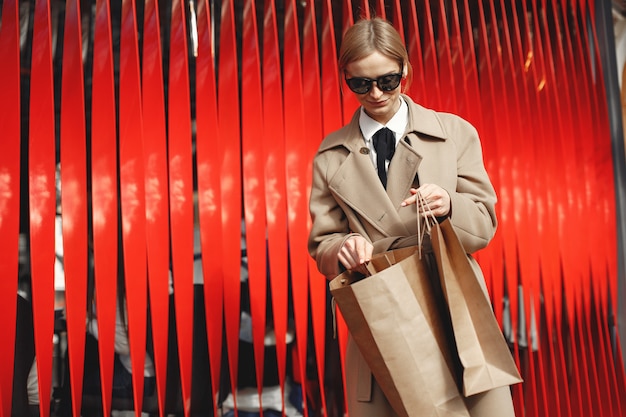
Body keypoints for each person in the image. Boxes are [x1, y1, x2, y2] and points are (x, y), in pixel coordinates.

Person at [307, 17, 515, 417]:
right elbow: (322, 243)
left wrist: (450, 204)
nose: (375, 93)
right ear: (345, 78)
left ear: (406, 70)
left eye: (387, 81)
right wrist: (344, 246)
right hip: (381, 308)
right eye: (360, 84)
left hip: (453, 303)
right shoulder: (331, 155)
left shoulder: (454, 133)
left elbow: (484, 223)